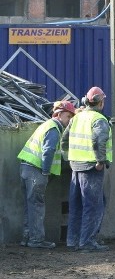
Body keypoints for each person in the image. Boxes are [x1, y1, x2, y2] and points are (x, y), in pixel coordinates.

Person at [17, 100, 77, 249]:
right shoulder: (53, 129)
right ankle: (36, 240)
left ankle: (27, 238)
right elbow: (48, 150)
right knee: (37, 206)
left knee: (30, 206)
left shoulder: (47, 125)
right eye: (68, 116)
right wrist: (45, 170)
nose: (70, 120)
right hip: (36, 171)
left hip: (26, 168)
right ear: (59, 114)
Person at [61, 86, 112, 252]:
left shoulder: (77, 117)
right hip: (91, 167)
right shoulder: (98, 119)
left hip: (76, 165)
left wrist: (68, 157)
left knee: (76, 205)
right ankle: (87, 242)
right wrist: (100, 160)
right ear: (101, 102)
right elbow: (99, 141)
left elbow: (64, 139)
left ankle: (73, 241)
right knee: (93, 205)